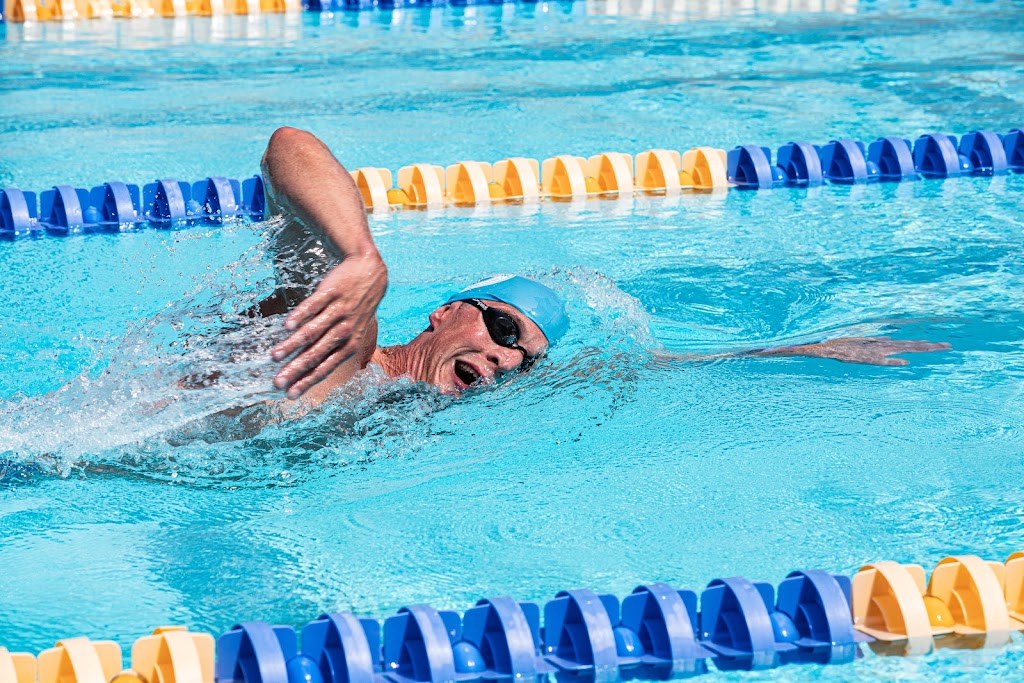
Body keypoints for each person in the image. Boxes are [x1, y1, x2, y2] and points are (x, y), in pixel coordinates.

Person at [259, 127, 950, 404]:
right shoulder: (338, 342)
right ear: (445, 312)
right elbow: (285, 149)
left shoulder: (448, 403)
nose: (505, 358)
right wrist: (361, 256)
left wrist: (810, 349)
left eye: (521, 357)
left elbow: (643, 365)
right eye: (502, 328)